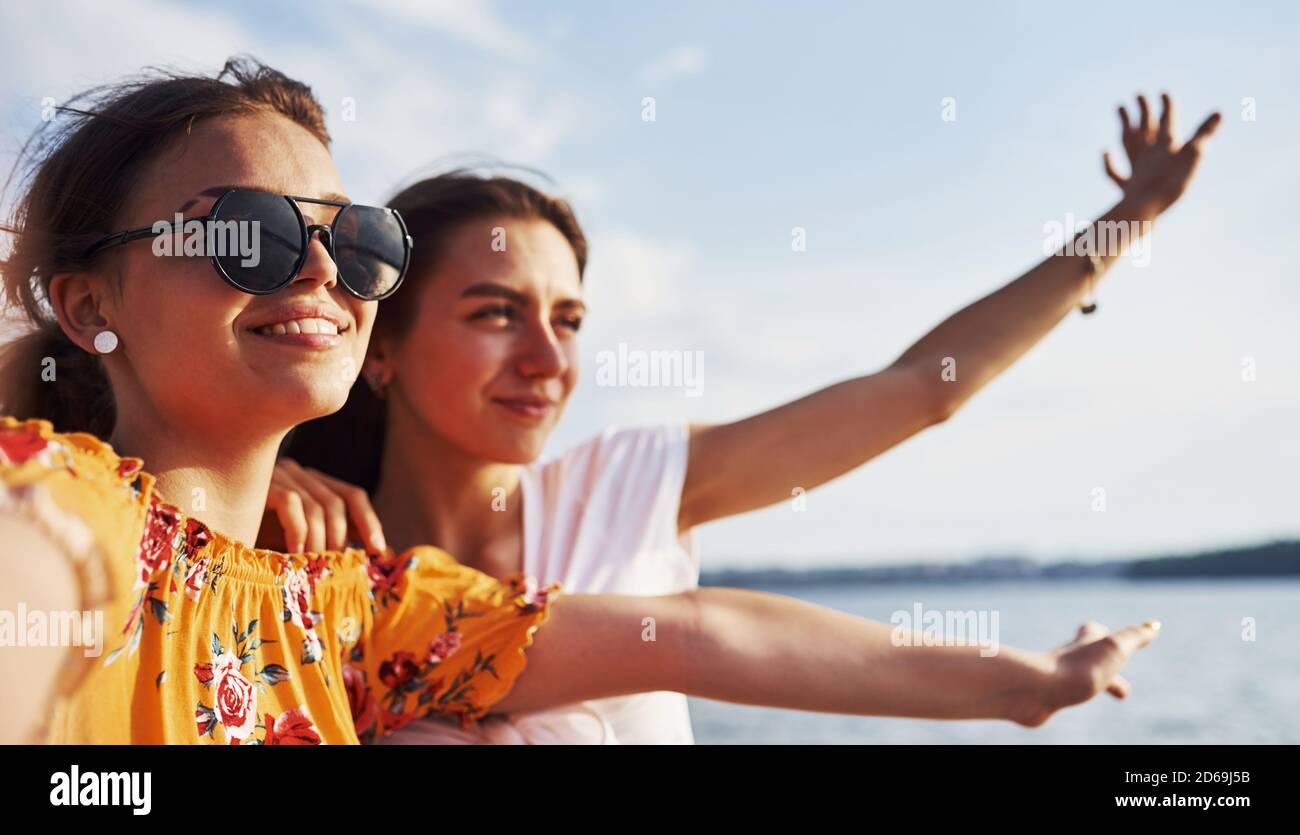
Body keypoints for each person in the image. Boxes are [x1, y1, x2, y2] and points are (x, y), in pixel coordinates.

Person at [1, 58, 1161, 745]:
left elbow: (715, 631)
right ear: (86, 293)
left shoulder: (362, 608)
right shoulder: (58, 510)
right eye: (248, 236)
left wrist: (1027, 684)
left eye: (355, 244)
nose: (317, 272)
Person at [281, 94, 1218, 743]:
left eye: (568, 320)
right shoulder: (293, 549)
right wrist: (258, 471)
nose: (546, 357)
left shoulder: (629, 484)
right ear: (381, 345)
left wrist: (1124, 221)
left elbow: (923, 388)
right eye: (495, 312)